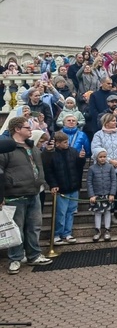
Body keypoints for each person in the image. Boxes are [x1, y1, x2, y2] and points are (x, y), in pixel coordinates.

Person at [0, 117, 52, 274]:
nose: (31, 130)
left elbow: (39, 166)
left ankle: (34, 255)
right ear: (17, 129)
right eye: (27, 128)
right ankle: (15, 259)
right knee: (16, 229)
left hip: (34, 192)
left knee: (34, 227)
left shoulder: (33, 147)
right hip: (15, 195)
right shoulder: (6, 148)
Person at [41, 131, 86, 245]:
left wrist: (81, 159)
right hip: (61, 188)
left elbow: (78, 167)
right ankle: (57, 234)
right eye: (65, 142)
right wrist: (53, 184)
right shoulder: (51, 154)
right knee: (61, 212)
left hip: (73, 186)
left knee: (70, 212)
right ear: (57, 143)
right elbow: (48, 171)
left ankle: (67, 233)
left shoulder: (72, 151)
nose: (68, 144)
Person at [87, 148, 116, 242]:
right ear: (96, 157)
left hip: (107, 194)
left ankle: (107, 230)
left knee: (108, 212)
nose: (103, 159)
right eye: (100, 157)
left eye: (104, 157)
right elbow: (89, 182)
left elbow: (114, 181)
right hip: (97, 195)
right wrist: (91, 195)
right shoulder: (92, 168)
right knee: (98, 213)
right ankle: (98, 230)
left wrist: (112, 193)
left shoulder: (110, 167)